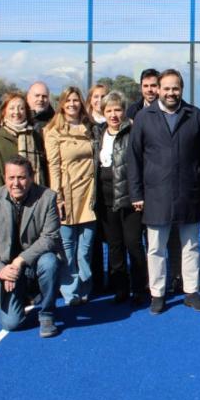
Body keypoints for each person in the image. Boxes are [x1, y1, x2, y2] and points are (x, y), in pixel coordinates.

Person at [127, 68, 200, 314]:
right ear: (158, 90)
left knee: (191, 246)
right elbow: (134, 158)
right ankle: (158, 294)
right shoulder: (144, 117)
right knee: (155, 248)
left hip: (190, 192)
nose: (170, 93)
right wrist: (136, 194)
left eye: (175, 88)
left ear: (181, 90)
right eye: (166, 88)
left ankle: (192, 292)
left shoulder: (195, 116)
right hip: (156, 195)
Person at [0, 156, 63, 338]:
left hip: (33, 263)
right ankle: (22, 297)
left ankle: (46, 314)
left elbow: (50, 238)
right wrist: (1, 269)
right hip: (6, 271)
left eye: (21, 177)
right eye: (11, 178)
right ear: (5, 178)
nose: (16, 183)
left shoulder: (47, 197)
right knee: (11, 324)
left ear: (31, 177)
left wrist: (20, 261)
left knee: (50, 261)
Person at [92, 92, 148, 305]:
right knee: (115, 247)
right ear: (103, 112)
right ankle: (120, 288)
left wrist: (139, 194)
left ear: (124, 111)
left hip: (131, 199)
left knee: (133, 244)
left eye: (117, 110)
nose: (113, 115)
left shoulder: (133, 132)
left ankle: (139, 289)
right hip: (106, 201)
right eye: (109, 110)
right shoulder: (97, 134)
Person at [44, 86, 97, 306]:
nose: (73, 104)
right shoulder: (53, 130)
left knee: (85, 249)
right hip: (68, 195)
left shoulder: (90, 127)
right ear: (62, 104)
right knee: (67, 248)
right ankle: (70, 292)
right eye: (69, 101)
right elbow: (53, 166)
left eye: (76, 100)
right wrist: (58, 197)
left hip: (90, 194)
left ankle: (86, 286)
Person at [0, 92, 47, 194]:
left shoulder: (35, 137)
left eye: (21, 108)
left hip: (36, 198)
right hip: (7, 199)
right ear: (4, 112)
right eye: (12, 108)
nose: (17, 112)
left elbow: (43, 170)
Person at [85, 83, 110, 295]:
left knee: (112, 236)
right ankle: (94, 280)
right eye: (96, 96)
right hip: (89, 189)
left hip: (109, 189)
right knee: (91, 238)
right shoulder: (85, 125)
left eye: (104, 96)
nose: (100, 100)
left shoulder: (115, 122)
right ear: (90, 100)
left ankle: (115, 278)